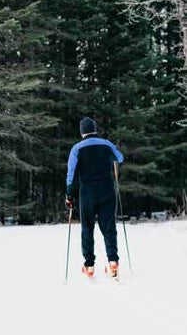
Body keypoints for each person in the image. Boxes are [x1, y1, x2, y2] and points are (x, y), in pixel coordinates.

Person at [65, 117, 124, 278]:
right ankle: (113, 263)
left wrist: (69, 194)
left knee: (87, 228)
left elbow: (71, 173)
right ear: (95, 129)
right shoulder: (106, 144)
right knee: (109, 228)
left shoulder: (77, 148)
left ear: (82, 131)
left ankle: (89, 266)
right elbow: (120, 158)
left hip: (88, 193)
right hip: (107, 190)